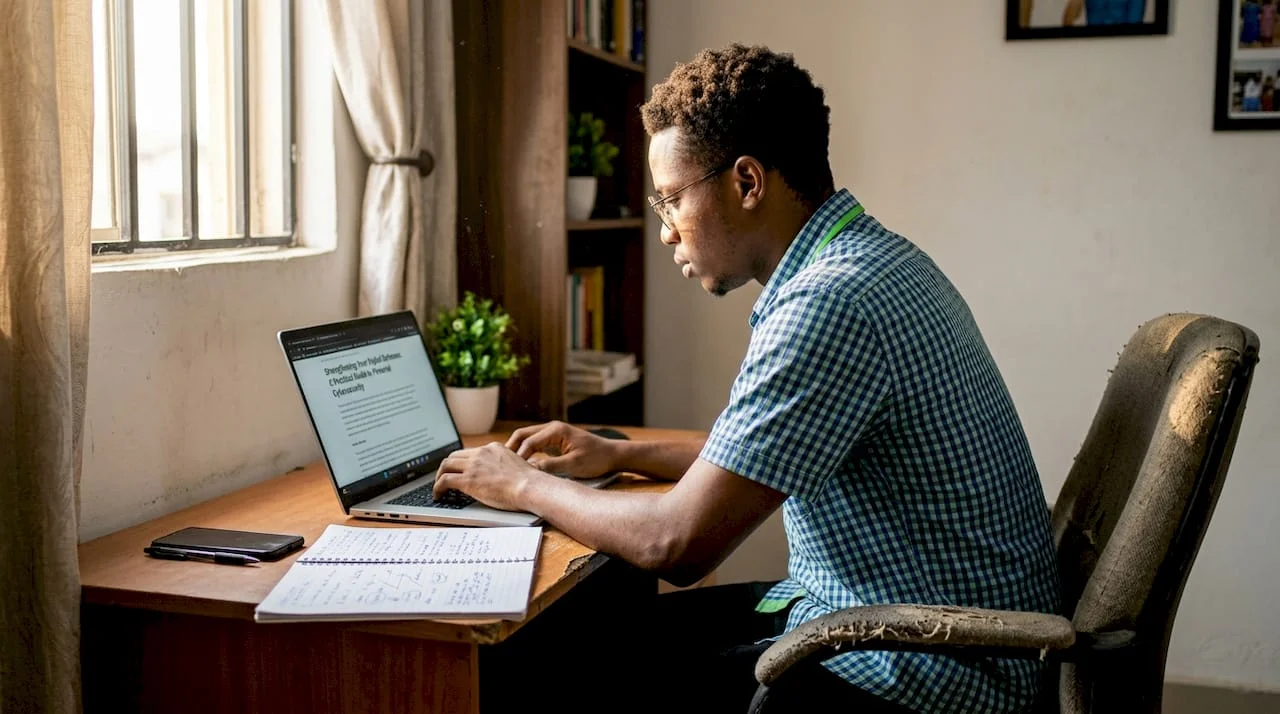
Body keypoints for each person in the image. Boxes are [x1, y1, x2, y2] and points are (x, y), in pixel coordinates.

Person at [435, 44, 1059, 714]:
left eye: (672, 199)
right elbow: (759, 458)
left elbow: (676, 543)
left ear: (748, 182)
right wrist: (618, 452)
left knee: (558, 667)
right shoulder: (873, 259)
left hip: (924, 670)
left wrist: (519, 484)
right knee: (592, 643)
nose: (667, 231)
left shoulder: (828, 303)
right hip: (897, 624)